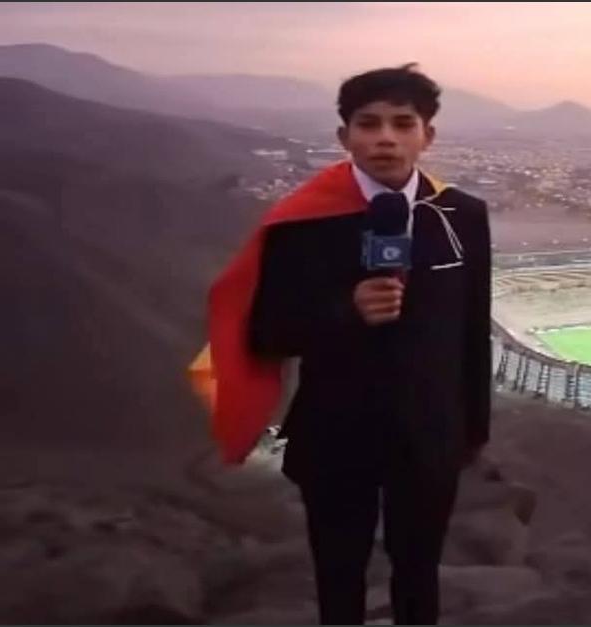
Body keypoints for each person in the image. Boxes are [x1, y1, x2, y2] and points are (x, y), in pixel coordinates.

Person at [199, 63, 491, 625]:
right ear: (344, 137)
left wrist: (471, 429)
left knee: (419, 573)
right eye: (369, 123)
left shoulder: (462, 215)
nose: (385, 137)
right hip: (335, 435)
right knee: (338, 575)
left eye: (403, 123)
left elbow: (470, 328)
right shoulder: (300, 225)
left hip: (430, 434)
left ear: (427, 135)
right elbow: (265, 335)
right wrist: (345, 311)